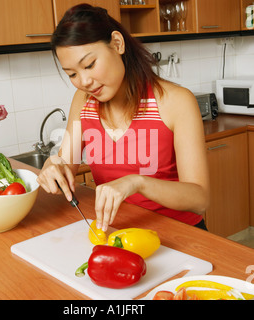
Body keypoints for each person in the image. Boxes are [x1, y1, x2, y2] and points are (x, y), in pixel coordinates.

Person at [37, 3, 210, 232]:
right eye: (72, 74)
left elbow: (200, 199)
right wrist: (52, 166)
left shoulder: (176, 102)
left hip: (181, 236)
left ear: (117, 44)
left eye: (89, 65)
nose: (84, 81)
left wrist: (137, 183)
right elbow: (65, 163)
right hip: (119, 232)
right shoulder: (83, 101)